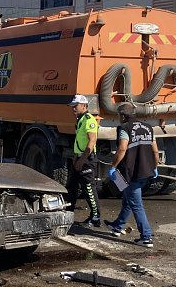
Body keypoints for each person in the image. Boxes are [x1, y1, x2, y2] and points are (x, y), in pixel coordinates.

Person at [104, 102, 160, 248]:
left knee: (136, 205)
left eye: (119, 115)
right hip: (146, 171)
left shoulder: (125, 128)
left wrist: (113, 166)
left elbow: (122, 148)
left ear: (123, 115)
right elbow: (155, 150)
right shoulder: (148, 128)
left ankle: (146, 237)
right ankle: (118, 226)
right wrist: (155, 166)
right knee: (128, 199)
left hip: (131, 173)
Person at [66, 94, 102, 227]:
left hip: (86, 159)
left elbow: (92, 142)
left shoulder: (89, 119)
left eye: (75, 106)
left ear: (84, 106)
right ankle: (67, 213)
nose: (73, 108)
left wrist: (82, 160)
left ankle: (96, 217)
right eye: (72, 106)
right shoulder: (80, 119)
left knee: (89, 189)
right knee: (72, 187)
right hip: (79, 157)